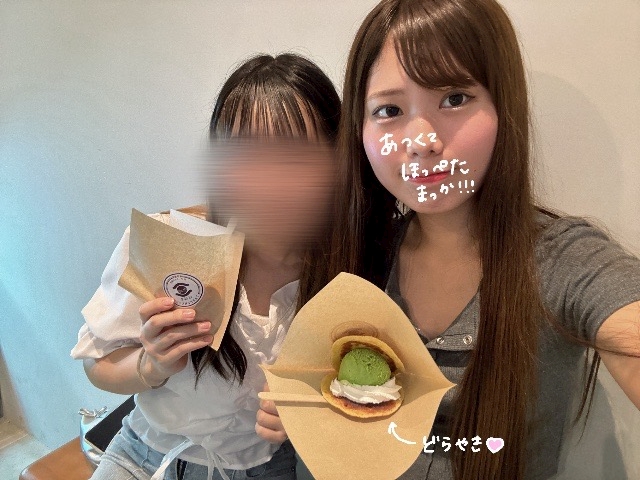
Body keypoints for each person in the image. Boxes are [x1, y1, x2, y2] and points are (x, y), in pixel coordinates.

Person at [329, 0, 640, 479]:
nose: (422, 140)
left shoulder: (561, 261)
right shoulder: (361, 253)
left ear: (503, 104)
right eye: (389, 110)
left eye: (454, 98)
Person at [71, 53, 340, 480]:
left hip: (267, 468)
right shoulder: (169, 245)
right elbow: (97, 364)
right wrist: (152, 365)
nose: (267, 183)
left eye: (294, 157)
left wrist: (310, 418)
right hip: (144, 456)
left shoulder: (347, 276)